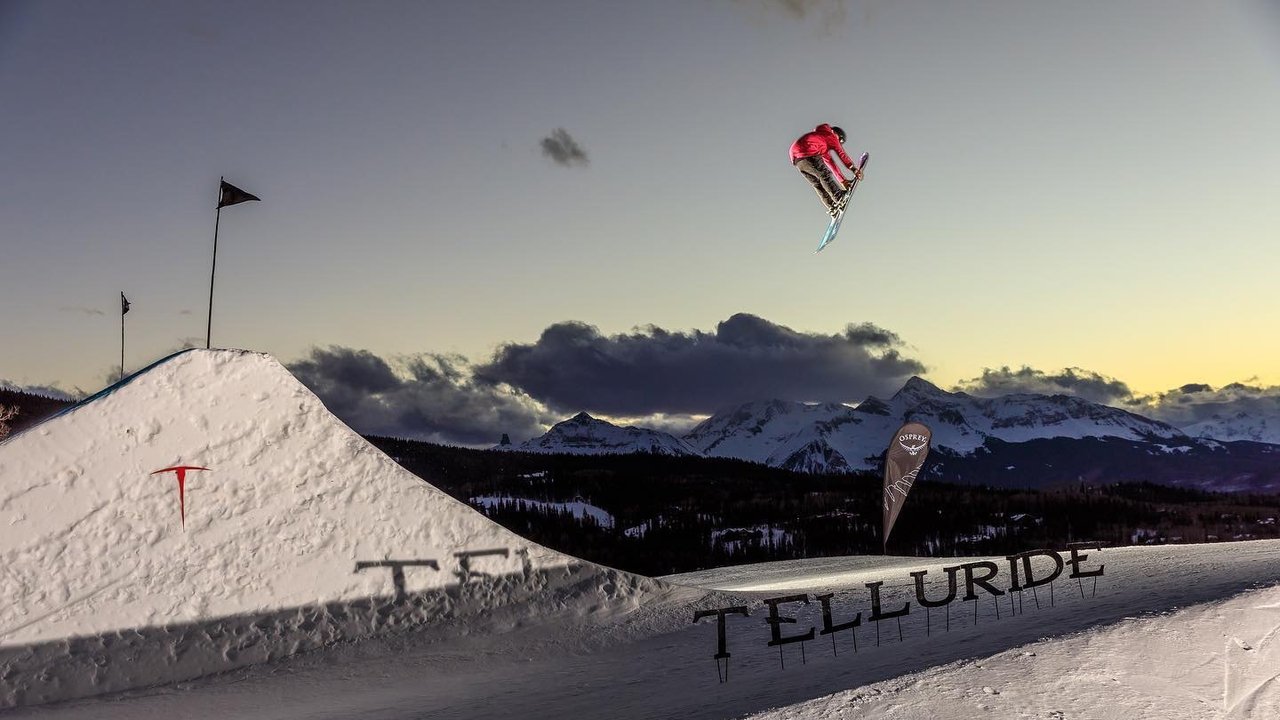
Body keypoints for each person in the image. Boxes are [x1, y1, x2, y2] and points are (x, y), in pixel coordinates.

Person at [790, 123, 863, 216]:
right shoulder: (831, 135)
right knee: (824, 175)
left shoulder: (821, 142)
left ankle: (831, 206)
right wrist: (853, 169)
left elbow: (831, 164)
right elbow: (841, 154)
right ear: (837, 135)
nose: (838, 144)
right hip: (807, 151)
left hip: (797, 159)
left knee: (817, 183)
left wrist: (843, 180)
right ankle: (839, 197)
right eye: (839, 141)